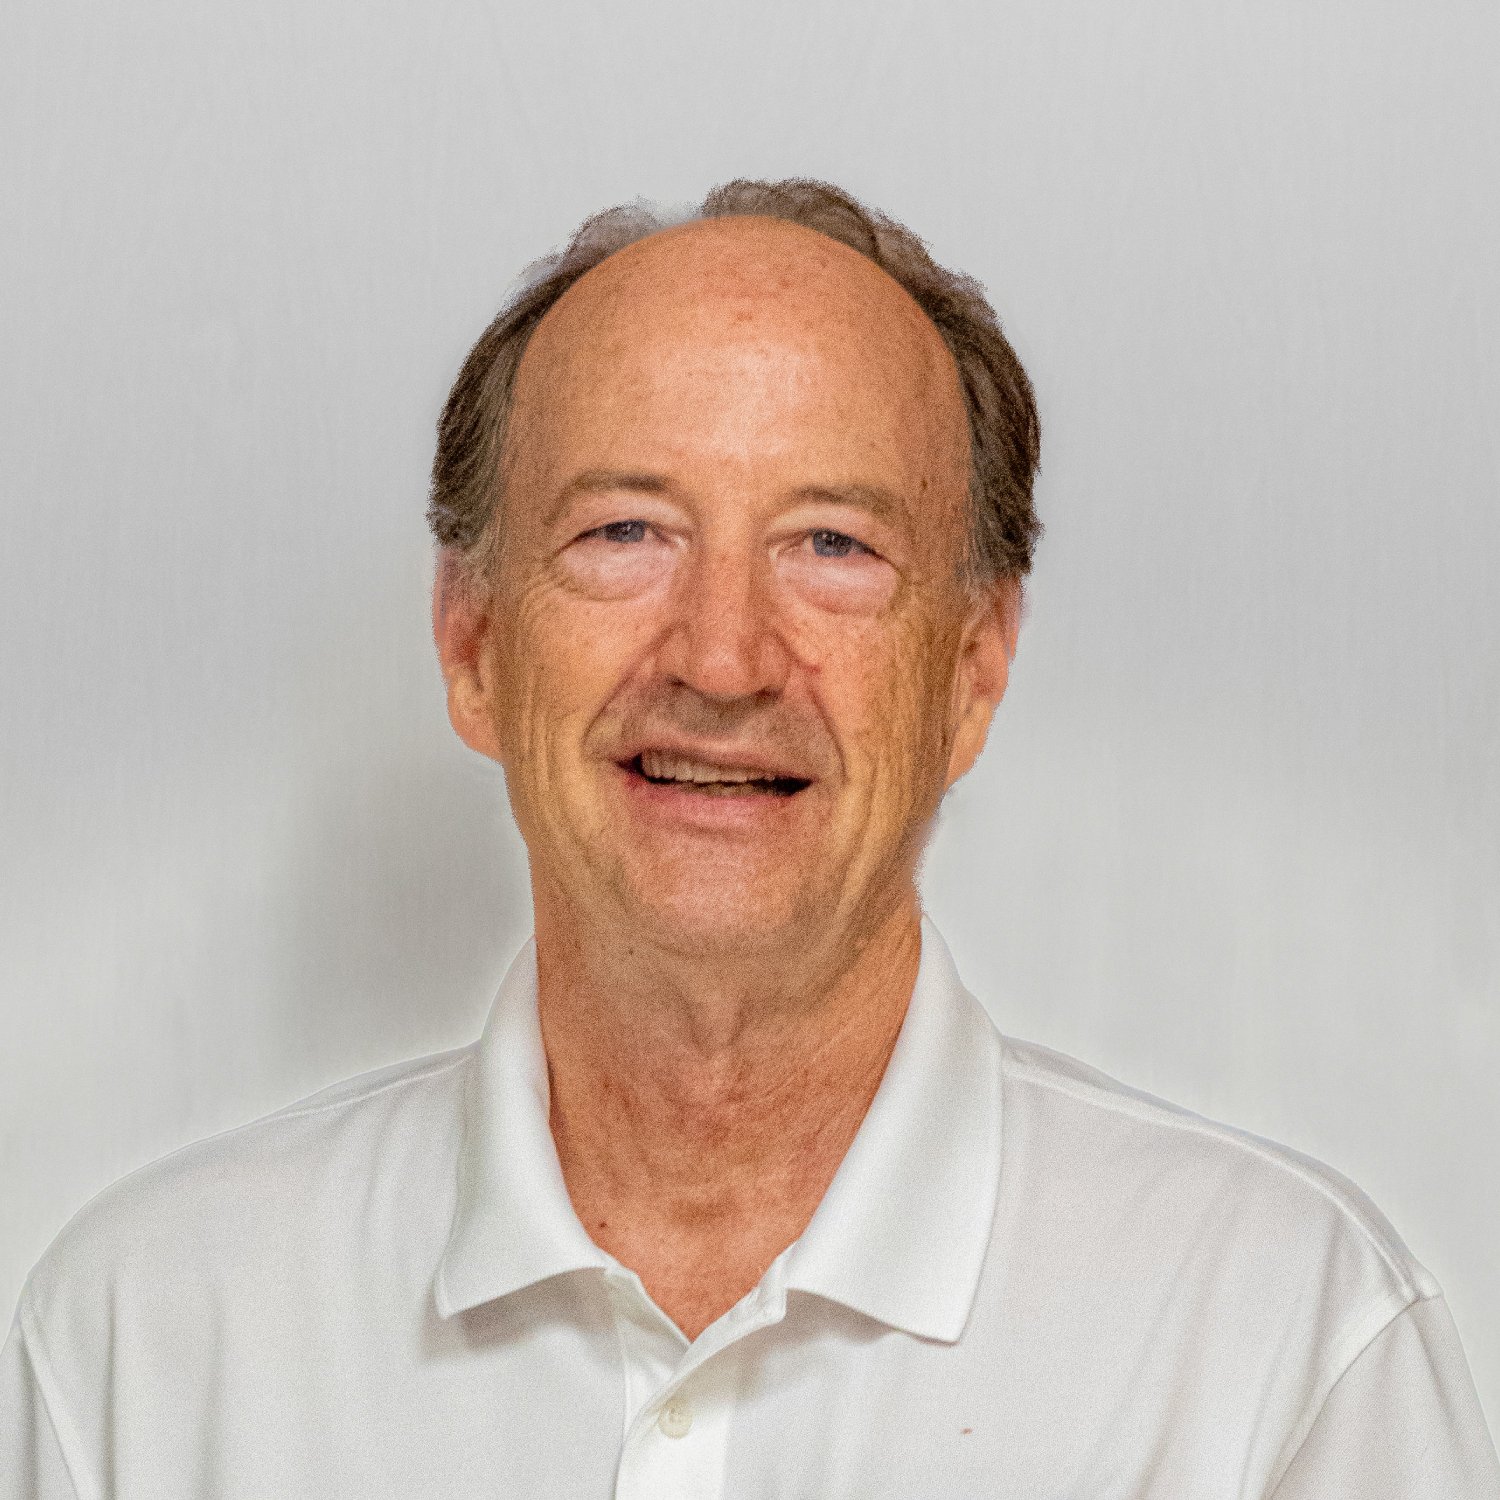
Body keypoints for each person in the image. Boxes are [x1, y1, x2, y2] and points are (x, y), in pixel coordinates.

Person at [2, 178, 1496, 1499]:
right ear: (472, 645)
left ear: (973, 670)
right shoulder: (140, 1345)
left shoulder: (1287, 1350)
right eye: (624, 532)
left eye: (834, 544)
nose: (721, 660)